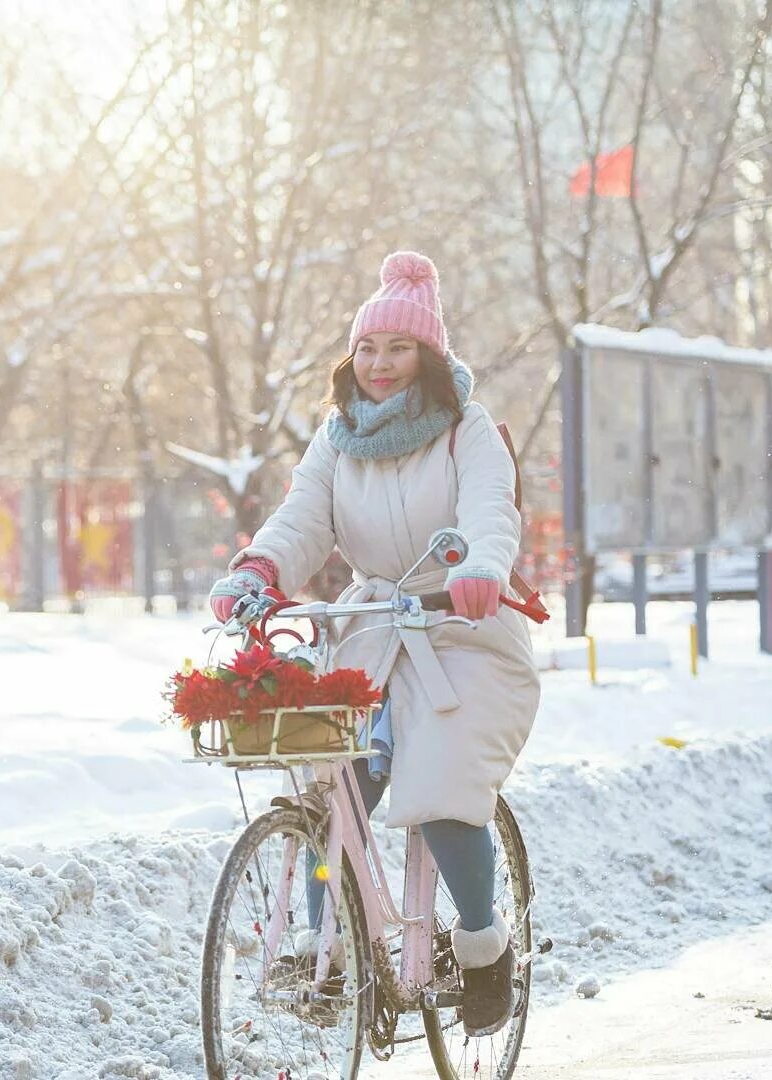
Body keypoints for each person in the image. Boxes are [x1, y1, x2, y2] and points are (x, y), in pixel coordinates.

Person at [209, 251, 541, 1038]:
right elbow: (302, 519)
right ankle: (331, 951)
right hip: (370, 625)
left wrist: (484, 567)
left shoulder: (467, 429)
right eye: (367, 349)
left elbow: (491, 510)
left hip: (464, 624)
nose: (380, 364)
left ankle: (483, 945)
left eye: (397, 349)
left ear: (428, 356)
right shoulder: (338, 435)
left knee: (440, 782)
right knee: (334, 785)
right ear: (349, 358)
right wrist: (259, 566)